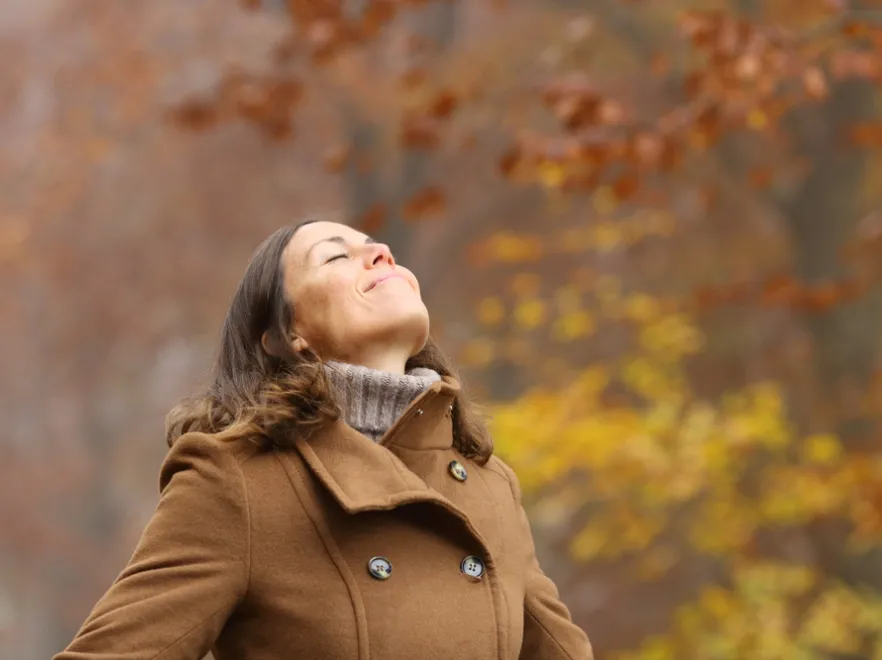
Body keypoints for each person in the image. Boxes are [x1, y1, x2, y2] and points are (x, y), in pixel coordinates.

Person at [55, 219, 593, 660]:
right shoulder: (239, 482)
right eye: (337, 257)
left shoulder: (489, 486)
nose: (380, 252)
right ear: (290, 335)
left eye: (379, 249)